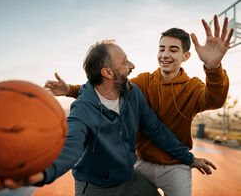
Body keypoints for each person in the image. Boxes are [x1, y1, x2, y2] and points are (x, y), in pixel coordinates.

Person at [0, 40, 215, 196]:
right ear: (108, 73)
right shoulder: (84, 109)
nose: (132, 65)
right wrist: (43, 173)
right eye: (125, 62)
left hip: (128, 178)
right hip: (94, 187)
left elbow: (156, 130)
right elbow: (70, 149)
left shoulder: (133, 94)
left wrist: (189, 158)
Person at [44, 15, 233, 195]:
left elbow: (214, 100)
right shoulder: (140, 84)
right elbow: (103, 90)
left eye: (173, 50)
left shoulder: (187, 87)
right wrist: (70, 89)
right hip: (138, 164)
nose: (165, 54)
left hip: (171, 164)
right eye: (161, 48)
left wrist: (214, 68)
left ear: (186, 56)